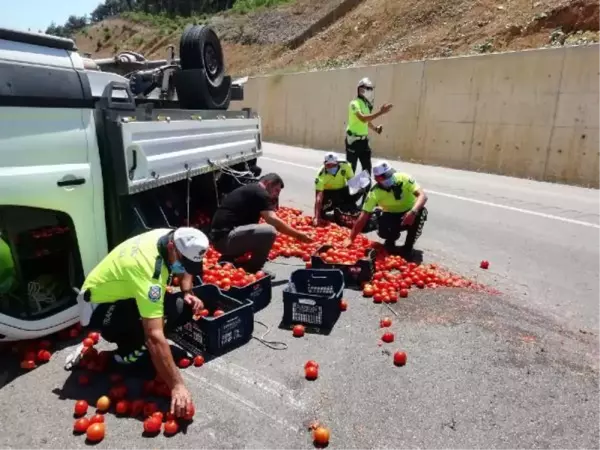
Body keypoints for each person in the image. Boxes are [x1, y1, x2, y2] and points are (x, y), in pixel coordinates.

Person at [65, 227, 208, 418]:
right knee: (147, 366)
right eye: (184, 262)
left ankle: (141, 347)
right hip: (99, 308)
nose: (185, 268)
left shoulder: (171, 236)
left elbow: (187, 267)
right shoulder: (150, 274)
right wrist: (177, 385)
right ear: (173, 247)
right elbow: (154, 336)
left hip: (123, 293)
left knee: (182, 307)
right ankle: (122, 358)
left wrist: (188, 292)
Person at [210, 173, 313, 273]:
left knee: (257, 232)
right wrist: (299, 235)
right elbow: (273, 221)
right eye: (276, 190)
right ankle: (254, 268)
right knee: (270, 231)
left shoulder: (252, 190)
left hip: (220, 238)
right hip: (226, 239)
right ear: (268, 184)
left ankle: (229, 258)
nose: (276, 194)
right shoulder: (261, 193)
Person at [343, 161, 428, 255]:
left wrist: (412, 212)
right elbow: (364, 215)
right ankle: (390, 240)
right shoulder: (374, 193)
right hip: (390, 215)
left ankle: (408, 246)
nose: (389, 177)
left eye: (389, 174)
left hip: (410, 212)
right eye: (384, 176)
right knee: (384, 229)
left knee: (420, 212)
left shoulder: (404, 178)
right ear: (376, 179)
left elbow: (423, 196)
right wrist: (350, 238)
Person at [345, 77, 393, 175]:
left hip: (364, 141)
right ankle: (349, 189)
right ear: (361, 89)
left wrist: (375, 129)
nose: (370, 91)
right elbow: (362, 118)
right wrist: (380, 112)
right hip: (353, 141)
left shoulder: (365, 104)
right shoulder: (354, 104)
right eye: (368, 89)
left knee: (367, 169)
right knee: (351, 170)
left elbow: (366, 121)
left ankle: (365, 190)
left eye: (371, 89)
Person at [313, 152, 364, 226]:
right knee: (321, 214)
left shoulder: (346, 166)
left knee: (362, 183)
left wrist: (354, 196)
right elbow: (319, 197)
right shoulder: (320, 175)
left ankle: (348, 206)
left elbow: (353, 183)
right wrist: (316, 217)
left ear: (337, 163)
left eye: (333, 165)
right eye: (328, 165)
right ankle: (336, 213)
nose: (331, 167)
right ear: (324, 164)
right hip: (329, 194)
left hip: (342, 191)